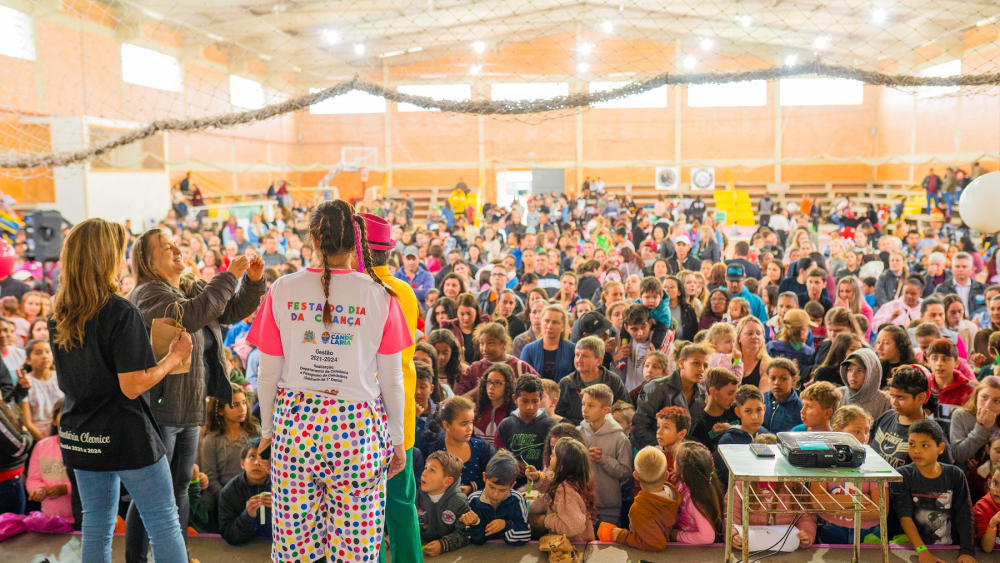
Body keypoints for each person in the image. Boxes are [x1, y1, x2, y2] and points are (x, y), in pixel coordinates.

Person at [246, 200, 411, 563]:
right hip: (358, 432)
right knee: (355, 547)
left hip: (296, 429)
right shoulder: (381, 296)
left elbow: (267, 374)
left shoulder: (281, 290)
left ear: (314, 239)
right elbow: (392, 380)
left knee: (295, 547)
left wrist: (269, 432)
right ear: (358, 241)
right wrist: (397, 440)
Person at [50, 218, 194, 563]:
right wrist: (173, 358)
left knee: (96, 529)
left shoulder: (60, 314)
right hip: (125, 434)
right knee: (163, 523)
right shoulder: (120, 311)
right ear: (106, 257)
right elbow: (133, 386)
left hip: (79, 432)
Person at [127, 226, 266, 562]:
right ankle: (136, 558)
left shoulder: (188, 286)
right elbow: (189, 316)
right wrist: (228, 274)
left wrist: (251, 281)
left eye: (176, 243)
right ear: (148, 262)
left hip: (189, 407)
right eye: (166, 247)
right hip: (158, 409)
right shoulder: (148, 294)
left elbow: (228, 311)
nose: (177, 249)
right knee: (150, 493)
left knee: (179, 489)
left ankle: (177, 554)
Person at [890, 419, 976, 562]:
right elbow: (904, 514)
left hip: (948, 549)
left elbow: (965, 514)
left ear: (940, 448)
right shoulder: (902, 474)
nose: (916, 450)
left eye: (924, 445)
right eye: (911, 444)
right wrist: (921, 550)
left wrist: (967, 550)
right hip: (911, 548)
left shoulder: (955, 474)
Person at [871, 366, 953, 468]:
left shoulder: (932, 433)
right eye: (892, 396)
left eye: (901, 397)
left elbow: (944, 475)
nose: (894, 402)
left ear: (921, 398)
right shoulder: (887, 416)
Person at [602, 446, 680, 551]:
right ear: (666, 476)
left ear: (635, 476)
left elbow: (656, 544)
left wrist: (621, 535)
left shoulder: (638, 509)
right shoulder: (672, 493)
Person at [632, 344, 708, 450]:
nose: (701, 369)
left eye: (705, 366)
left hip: (678, 454)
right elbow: (639, 427)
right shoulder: (656, 387)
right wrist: (663, 449)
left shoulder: (701, 395)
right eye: (696, 363)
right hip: (649, 450)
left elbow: (689, 434)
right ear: (681, 363)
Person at [578, 383, 633, 525]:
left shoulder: (619, 438)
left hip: (610, 507)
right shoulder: (578, 433)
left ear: (606, 410)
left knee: (609, 546)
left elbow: (626, 471)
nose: (585, 409)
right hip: (582, 504)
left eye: (591, 406)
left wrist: (603, 460)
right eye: (583, 404)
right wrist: (583, 456)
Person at [528, 437, 598, 542]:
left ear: (561, 466)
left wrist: (547, 519)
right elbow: (549, 482)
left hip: (573, 546)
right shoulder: (571, 480)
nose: (550, 456)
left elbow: (573, 527)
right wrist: (537, 477)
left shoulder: (566, 493)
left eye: (554, 455)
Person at [495, 375, 557, 487]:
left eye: (534, 401)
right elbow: (496, 453)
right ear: (515, 399)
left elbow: (558, 457)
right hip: (511, 486)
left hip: (543, 487)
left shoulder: (551, 426)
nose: (530, 407)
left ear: (541, 399)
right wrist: (512, 463)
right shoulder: (505, 425)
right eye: (524, 401)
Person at [555, 337, 630, 426]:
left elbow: (625, 410)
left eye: (585, 356)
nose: (579, 360)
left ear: (599, 361)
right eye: (577, 355)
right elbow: (557, 416)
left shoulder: (613, 380)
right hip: (574, 434)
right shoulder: (566, 383)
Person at [463, 451, 530, 545]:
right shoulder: (473, 500)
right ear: (484, 477)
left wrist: (505, 525)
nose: (495, 494)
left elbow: (526, 534)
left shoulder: (517, 499)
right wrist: (476, 523)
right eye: (491, 487)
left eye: (502, 490)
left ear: (512, 485)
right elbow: (473, 540)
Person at [216, 437, 272, 546]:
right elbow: (229, 535)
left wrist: (281, 509)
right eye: (252, 456)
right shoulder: (229, 492)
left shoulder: (282, 488)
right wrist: (247, 516)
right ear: (242, 464)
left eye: (263, 457)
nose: (257, 463)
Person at [456, 323, 537, 396]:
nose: (485, 348)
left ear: (503, 344)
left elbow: (539, 391)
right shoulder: (475, 368)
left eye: (490, 343)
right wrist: (480, 389)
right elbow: (460, 400)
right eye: (481, 343)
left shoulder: (521, 367)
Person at [417, 451, 472, 557]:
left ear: (447, 482)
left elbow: (464, 533)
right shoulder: (414, 497)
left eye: (432, 470)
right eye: (425, 468)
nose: (424, 473)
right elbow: (404, 523)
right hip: (421, 546)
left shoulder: (459, 502)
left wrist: (444, 544)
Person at [25, 398, 72, 521]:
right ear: (55, 421)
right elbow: (33, 478)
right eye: (62, 419)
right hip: (49, 517)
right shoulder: (41, 446)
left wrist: (66, 489)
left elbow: (90, 482)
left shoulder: (83, 449)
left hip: (78, 517)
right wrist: (38, 489)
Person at [716, 385, 769, 486]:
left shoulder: (770, 439)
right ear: (738, 412)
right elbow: (724, 476)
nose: (754, 417)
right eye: (748, 411)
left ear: (764, 409)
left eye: (759, 410)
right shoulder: (727, 441)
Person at [520, 305, 575, 382]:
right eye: (546, 321)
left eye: (555, 323)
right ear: (541, 323)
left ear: (563, 327)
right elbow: (523, 379)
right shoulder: (529, 350)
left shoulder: (572, 349)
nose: (549, 326)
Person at [690, 368, 740, 451]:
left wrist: (732, 429)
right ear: (713, 391)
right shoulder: (699, 425)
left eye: (736, 393)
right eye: (730, 393)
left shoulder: (737, 410)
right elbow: (705, 458)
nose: (734, 398)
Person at [838, 348, 891, 420]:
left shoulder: (886, 402)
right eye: (850, 370)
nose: (853, 375)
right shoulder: (838, 395)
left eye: (860, 370)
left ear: (872, 373)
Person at [762, 359, 803, 433]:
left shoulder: (801, 408)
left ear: (793, 380)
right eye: (773, 378)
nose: (777, 383)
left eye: (783, 379)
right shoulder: (760, 399)